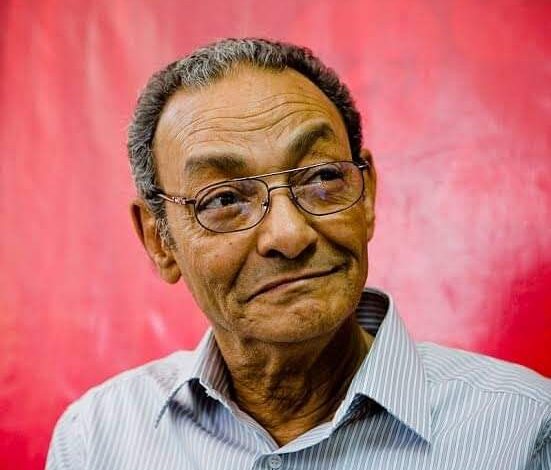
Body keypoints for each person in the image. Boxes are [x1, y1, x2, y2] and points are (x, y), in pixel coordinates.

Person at [46, 38, 550, 469]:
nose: (289, 235)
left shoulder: (522, 428)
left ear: (366, 197)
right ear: (160, 241)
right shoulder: (98, 439)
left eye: (323, 177)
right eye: (224, 199)